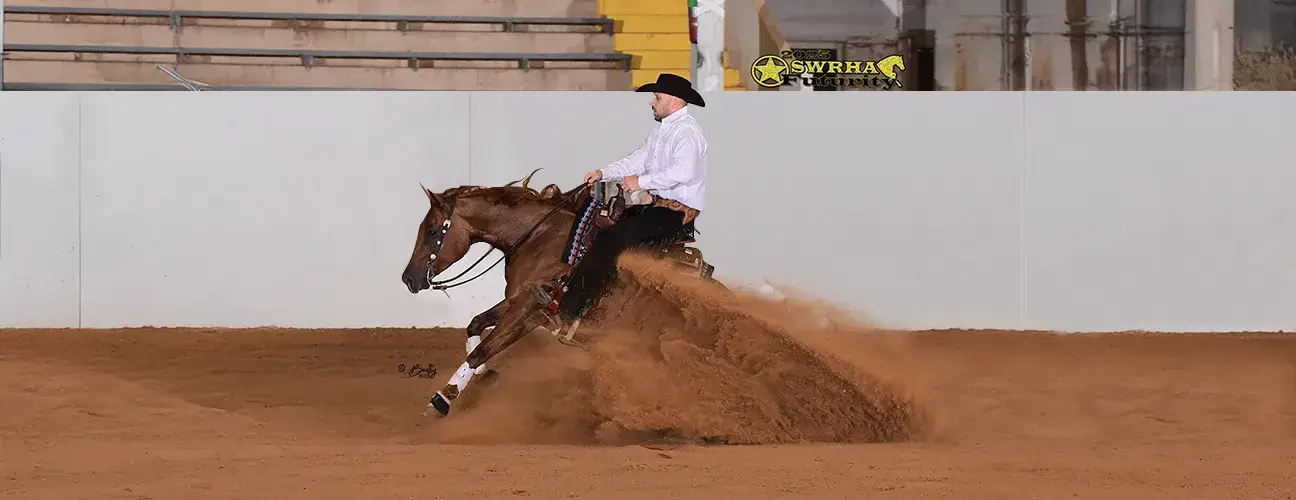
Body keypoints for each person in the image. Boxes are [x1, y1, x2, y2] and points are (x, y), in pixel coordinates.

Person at [530, 73, 709, 335]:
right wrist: (604, 172)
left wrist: (641, 181)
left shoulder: (688, 133)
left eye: (657, 97)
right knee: (596, 226)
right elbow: (638, 159)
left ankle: (573, 312)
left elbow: (684, 172)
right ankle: (568, 290)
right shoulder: (665, 129)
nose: (652, 102)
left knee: (610, 241)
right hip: (654, 205)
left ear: (674, 100)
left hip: (674, 213)